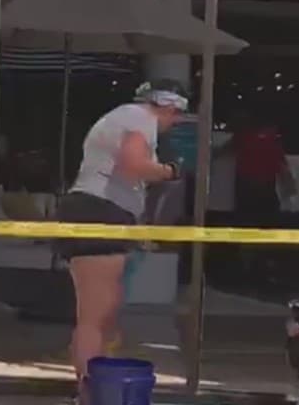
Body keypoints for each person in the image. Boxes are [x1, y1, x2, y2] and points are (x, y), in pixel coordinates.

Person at [54, 78, 187, 399]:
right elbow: (133, 165)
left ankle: (99, 385)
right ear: (168, 106)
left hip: (97, 211)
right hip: (99, 211)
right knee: (94, 316)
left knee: (103, 312)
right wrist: (170, 171)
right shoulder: (140, 117)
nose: (177, 122)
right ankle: (89, 393)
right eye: (178, 115)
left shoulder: (123, 117)